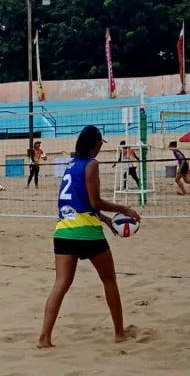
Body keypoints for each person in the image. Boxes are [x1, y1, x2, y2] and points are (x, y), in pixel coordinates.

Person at [38, 125, 141, 348]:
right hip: (88, 234)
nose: (100, 148)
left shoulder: (71, 164)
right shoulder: (91, 164)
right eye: (100, 144)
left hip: (64, 231)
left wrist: (106, 220)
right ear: (95, 145)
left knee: (60, 284)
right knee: (109, 280)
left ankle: (44, 338)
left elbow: (80, 204)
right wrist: (124, 209)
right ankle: (119, 333)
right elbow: (95, 202)